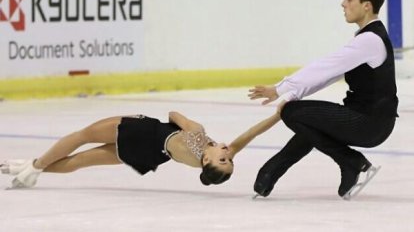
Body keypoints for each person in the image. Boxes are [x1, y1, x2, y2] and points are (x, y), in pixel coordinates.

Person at [248, 0, 398, 200]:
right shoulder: (369, 38)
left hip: (369, 123)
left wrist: (279, 89)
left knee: (294, 114)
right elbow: (329, 75)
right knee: (309, 119)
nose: (343, 3)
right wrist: (292, 93)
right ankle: (269, 174)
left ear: (366, 6)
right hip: (370, 121)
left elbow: (324, 68)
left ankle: (351, 161)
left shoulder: (370, 40)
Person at [1, 110, 279, 189]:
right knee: (81, 162)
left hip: (142, 132)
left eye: (223, 158)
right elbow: (250, 135)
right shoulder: (203, 160)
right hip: (148, 155)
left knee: (82, 136)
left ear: (207, 159)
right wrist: (277, 116)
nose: (229, 152)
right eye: (230, 159)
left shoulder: (196, 134)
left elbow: (174, 113)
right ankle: (27, 169)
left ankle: (34, 166)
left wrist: (185, 126)